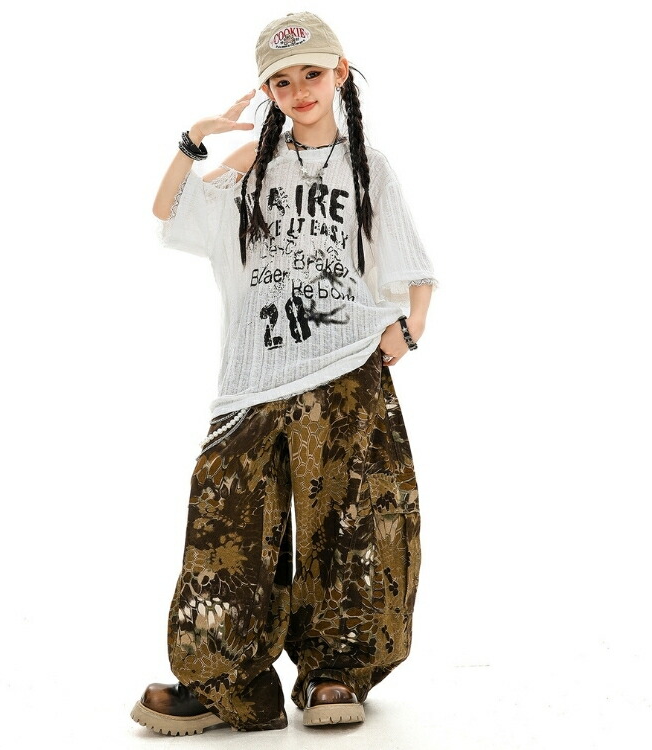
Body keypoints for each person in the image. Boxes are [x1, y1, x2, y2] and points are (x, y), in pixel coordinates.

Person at [130, 10, 439, 735]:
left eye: (312, 74)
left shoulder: (369, 166)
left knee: (353, 523)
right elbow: (169, 208)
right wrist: (195, 140)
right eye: (282, 81)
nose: (300, 90)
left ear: (340, 74)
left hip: (346, 369)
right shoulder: (250, 164)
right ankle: (224, 683)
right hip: (256, 381)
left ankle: (335, 672)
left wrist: (411, 328)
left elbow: (411, 260)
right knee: (228, 524)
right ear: (267, 91)